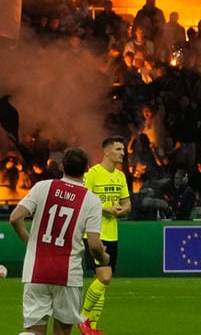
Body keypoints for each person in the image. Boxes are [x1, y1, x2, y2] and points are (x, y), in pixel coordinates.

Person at [8, 146, 108, 335]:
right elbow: (94, 245)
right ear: (87, 169)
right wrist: (103, 259)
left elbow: (15, 217)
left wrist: (30, 241)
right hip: (67, 275)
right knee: (62, 331)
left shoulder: (43, 187)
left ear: (61, 166)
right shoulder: (91, 200)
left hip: (36, 271)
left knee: (33, 330)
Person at [80, 136, 130, 332]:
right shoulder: (92, 174)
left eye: (123, 149)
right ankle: (83, 318)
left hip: (112, 234)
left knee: (101, 282)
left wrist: (121, 210)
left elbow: (127, 203)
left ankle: (93, 326)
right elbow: (83, 202)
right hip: (94, 234)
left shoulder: (120, 176)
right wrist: (104, 208)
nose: (122, 153)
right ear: (107, 151)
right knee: (105, 277)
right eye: (118, 149)